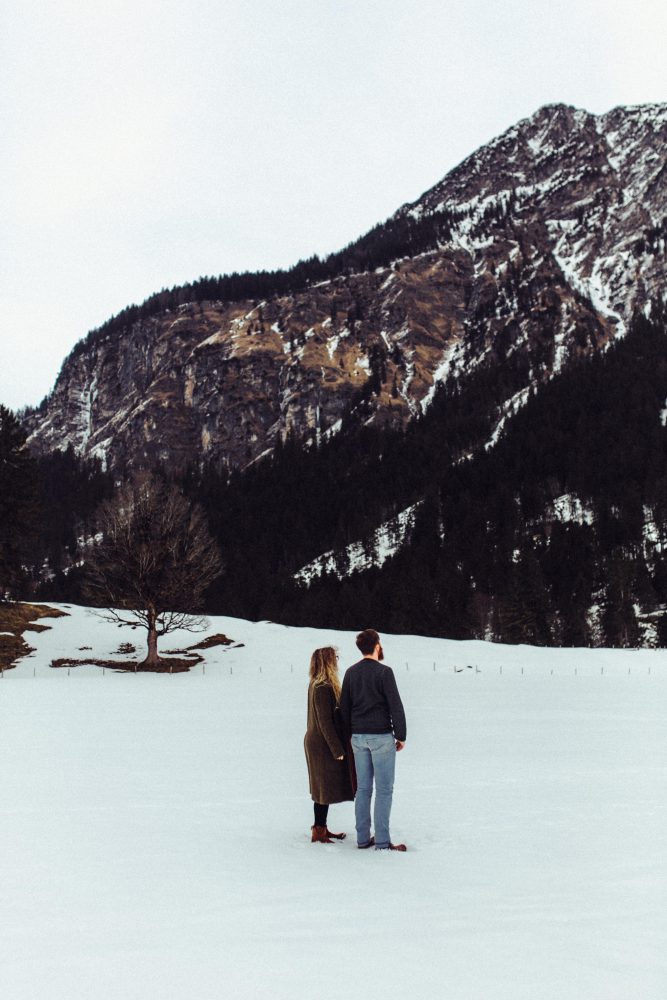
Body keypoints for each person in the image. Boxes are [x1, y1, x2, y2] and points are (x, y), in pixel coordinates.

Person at [340, 629, 407, 851]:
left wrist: (348, 736)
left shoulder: (350, 673)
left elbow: (345, 709)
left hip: (358, 738)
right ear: (377, 645)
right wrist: (401, 735)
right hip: (380, 737)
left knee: (363, 789)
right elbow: (395, 705)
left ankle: (362, 839)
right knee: (384, 790)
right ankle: (381, 841)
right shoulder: (384, 672)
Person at [304, 646, 354, 843]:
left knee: (321, 788)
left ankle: (322, 827)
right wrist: (337, 749)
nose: (337, 661)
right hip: (322, 744)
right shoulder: (322, 687)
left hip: (317, 741)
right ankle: (318, 831)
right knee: (322, 789)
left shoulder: (316, 684)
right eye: (334, 658)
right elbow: (325, 722)